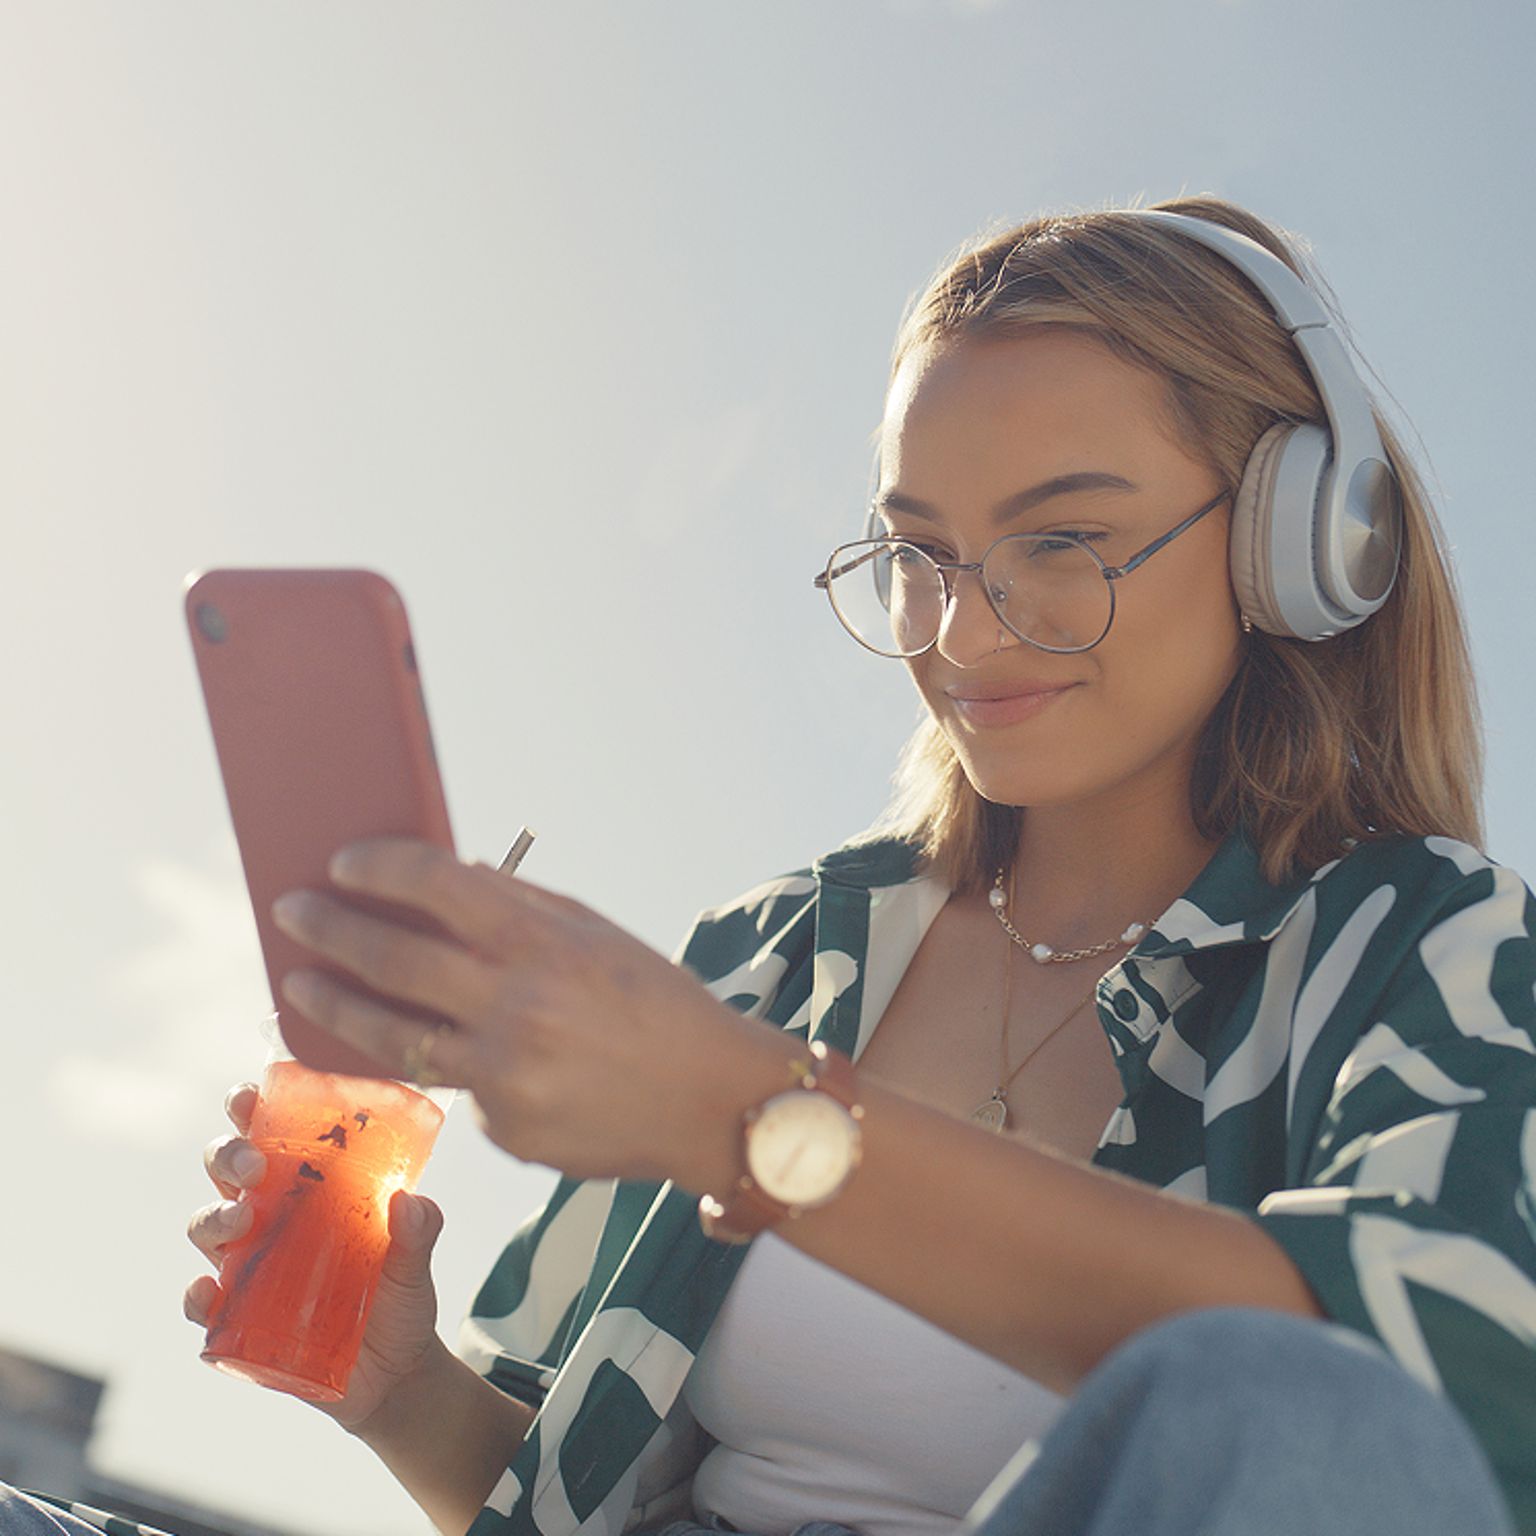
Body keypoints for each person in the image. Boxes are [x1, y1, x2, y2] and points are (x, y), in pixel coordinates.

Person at [141, 198, 1513, 1536]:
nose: (964, 639)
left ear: (1300, 543)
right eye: (921, 552)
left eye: (1062, 543)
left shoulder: (1421, 949)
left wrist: (750, 1117)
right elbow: (565, 1495)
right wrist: (398, 1392)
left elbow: (1403, 1418)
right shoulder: (771, 956)